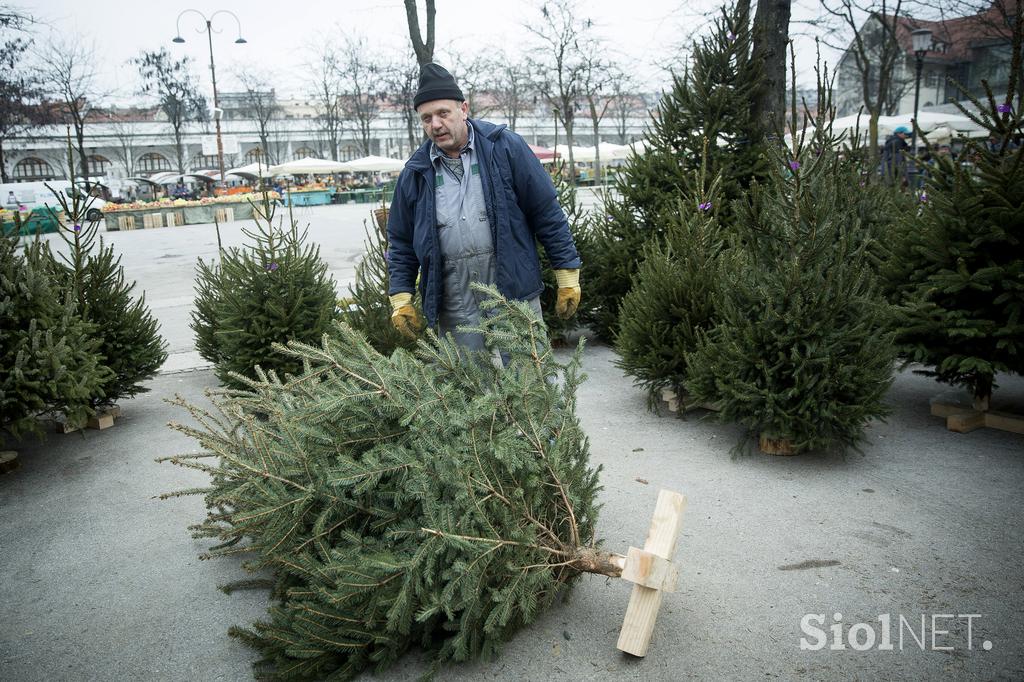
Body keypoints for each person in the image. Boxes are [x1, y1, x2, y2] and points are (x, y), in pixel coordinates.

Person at [386, 63, 581, 352]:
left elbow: (545, 212)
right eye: (426, 118)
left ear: (463, 109)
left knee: (530, 384)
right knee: (467, 389)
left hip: (512, 292)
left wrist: (566, 274)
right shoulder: (415, 172)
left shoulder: (505, 148)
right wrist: (401, 298)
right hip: (454, 302)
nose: (435, 124)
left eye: (443, 113)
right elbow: (401, 240)